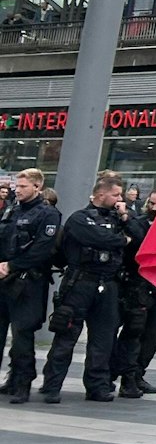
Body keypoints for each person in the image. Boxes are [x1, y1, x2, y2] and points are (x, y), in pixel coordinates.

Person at [41, 175, 135, 402]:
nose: (119, 199)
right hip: (79, 283)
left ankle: (98, 386)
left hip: (109, 284)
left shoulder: (118, 219)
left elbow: (139, 237)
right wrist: (123, 240)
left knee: (103, 339)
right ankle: (52, 386)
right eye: (115, 195)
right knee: (66, 335)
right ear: (101, 194)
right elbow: (100, 238)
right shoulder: (80, 218)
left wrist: (125, 217)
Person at [0, 167, 61, 402]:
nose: (18, 190)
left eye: (24, 186)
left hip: (29, 282)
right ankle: (11, 379)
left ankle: (22, 383)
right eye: (17, 185)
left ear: (37, 186)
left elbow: (42, 250)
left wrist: (12, 266)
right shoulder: (11, 211)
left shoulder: (47, 214)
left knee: (22, 334)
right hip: (5, 280)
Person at [112, 183, 156, 398]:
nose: (154, 207)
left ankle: (138, 373)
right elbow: (140, 241)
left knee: (154, 333)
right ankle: (125, 377)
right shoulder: (138, 222)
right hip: (137, 285)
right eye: (152, 203)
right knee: (134, 333)